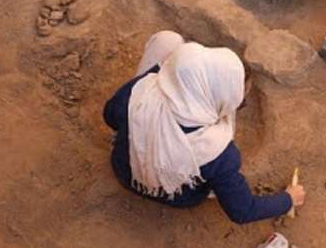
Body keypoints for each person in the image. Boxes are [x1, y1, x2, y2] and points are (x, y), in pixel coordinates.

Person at [102, 31, 306, 224]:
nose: (239, 104)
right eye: (238, 100)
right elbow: (243, 211)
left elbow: (110, 117)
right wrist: (289, 199)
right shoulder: (218, 152)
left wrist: (142, 128)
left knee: (168, 41)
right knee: (215, 176)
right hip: (179, 196)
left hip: (124, 169)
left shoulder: (141, 92)